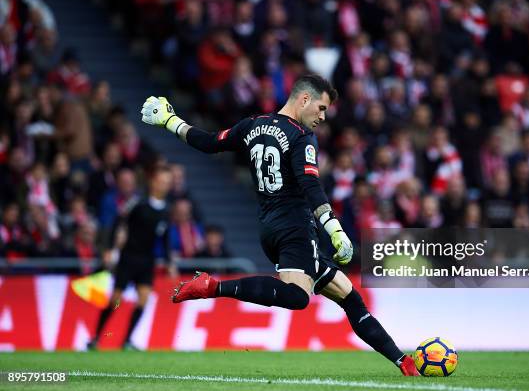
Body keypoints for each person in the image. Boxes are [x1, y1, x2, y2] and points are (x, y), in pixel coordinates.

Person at [140, 74, 419, 376]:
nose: (323, 117)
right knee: (298, 296)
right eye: (322, 108)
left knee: (348, 295)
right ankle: (213, 286)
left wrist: (169, 120)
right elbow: (311, 185)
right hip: (296, 227)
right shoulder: (301, 136)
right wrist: (335, 229)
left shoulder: (252, 125)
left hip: (269, 228)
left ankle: (402, 362)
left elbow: (209, 142)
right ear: (304, 100)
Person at [87, 166, 176, 350]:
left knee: (143, 299)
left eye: (167, 182)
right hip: (128, 258)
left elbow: (165, 237)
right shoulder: (138, 203)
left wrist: (169, 261)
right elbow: (118, 222)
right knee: (116, 300)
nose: (164, 185)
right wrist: (110, 248)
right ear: (153, 182)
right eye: (162, 181)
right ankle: (95, 338)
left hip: (147, 260)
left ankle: (127, 340)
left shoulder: (166, 210)